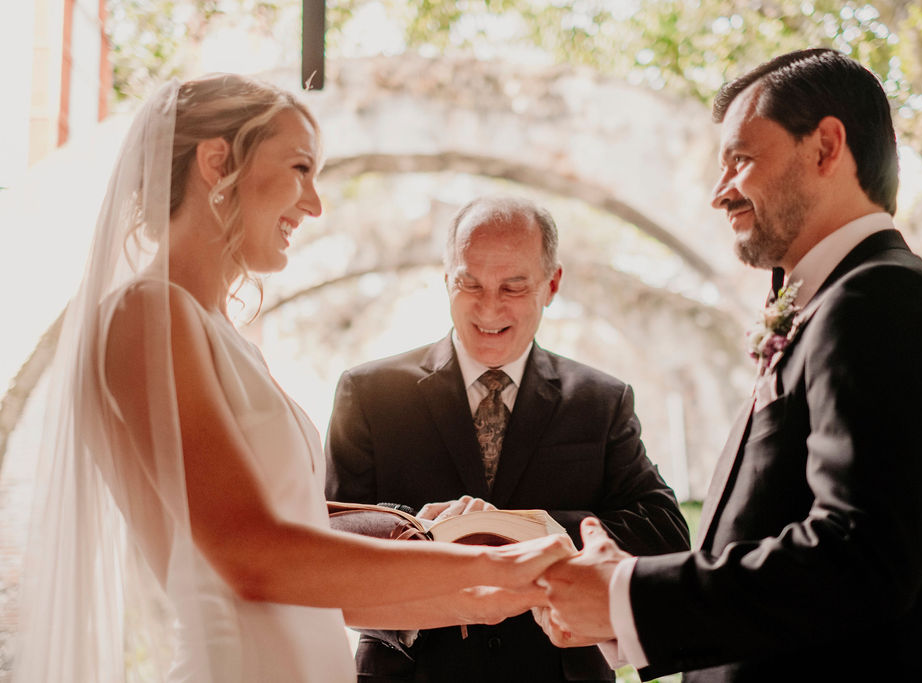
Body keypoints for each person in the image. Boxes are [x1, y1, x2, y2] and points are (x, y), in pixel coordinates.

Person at [12, 74, 574, 683]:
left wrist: (525, 586)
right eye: (301, 168)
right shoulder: (147, 313)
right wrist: (493, 569)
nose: (315, 204)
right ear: (216, 162)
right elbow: (254, 557)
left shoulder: (222, 335)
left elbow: (327, 590)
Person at [534, 48, 922, 682]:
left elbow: (858, 561)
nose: (719, 193)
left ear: (826, 147)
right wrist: (615, 611)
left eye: (741, 160)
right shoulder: (835, 304)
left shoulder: (885, 302)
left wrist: (625, 594)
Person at [324, 195, 691, 682]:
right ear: (446, 279)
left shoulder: (602, 400)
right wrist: (415, 532)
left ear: (552, 284)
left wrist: (527, 531)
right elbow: (326, 549)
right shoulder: (368, 392)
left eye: (513, 287)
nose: (489, 307)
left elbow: (664, 531)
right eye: (469, 284)